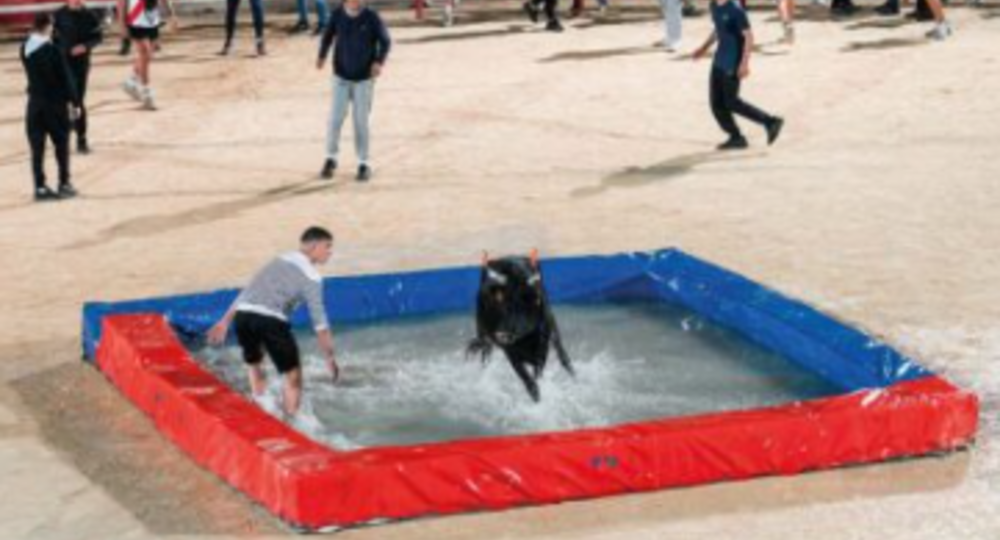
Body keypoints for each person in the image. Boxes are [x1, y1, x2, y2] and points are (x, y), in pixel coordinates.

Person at [207, 227, 340, 418]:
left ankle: (260, 409)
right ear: (314, 246)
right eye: (327, 246)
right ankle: (292, 421)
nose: (329, 252)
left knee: (255, 364)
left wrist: (224, 321)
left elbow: (248, 291)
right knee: (293, 377)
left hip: (244, 316)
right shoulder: (312, 277)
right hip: (270, 321)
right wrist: (330, 358)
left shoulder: (279, 259)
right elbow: (320, 323)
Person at [693, 0, 784, 150]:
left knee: (732, 102)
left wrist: (744, 63)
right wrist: (703, 48)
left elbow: (749, 37)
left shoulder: (735, 9)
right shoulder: (714, 5)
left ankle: (770, 122)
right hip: (718, 61)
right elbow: (718, 29)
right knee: (716, 104)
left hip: (732, 62)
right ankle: (736, 137)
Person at [317, 0, 391, 182]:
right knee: (335, 119)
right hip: (341, 76)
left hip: (364, 79)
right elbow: (327, 36)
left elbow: (386, 41)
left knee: (360, 121)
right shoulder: (337, 15)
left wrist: (379, 61)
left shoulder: (371, 17)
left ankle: (364, 163)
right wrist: (322, 55)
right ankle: (331, 158)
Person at [21, 13, 81, 202]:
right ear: (48, 26)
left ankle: (39, 187)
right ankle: (64, 183)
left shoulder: (24, 48)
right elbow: (66, 78)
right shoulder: (53, 50)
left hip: (34, 104)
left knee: (37, 149)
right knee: (61, 145)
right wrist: (75, 103)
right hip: (55, 105)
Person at [53, 0, 103, 154]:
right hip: (62, 63)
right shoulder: (58, 14)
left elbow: (98, 37)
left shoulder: (90, 15)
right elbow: (53, 37)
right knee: (64, 100)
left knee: (78, 101)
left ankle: (81, 140)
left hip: (81, 65)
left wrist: (85, 46)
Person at [118, 0, 173, 109]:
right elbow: (122, 2)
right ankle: (146, 93)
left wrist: (172, 16)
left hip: (152, 20)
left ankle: (131, 81)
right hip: (135, 20)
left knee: (147, 57)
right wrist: (122, 25)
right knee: (145, 53)